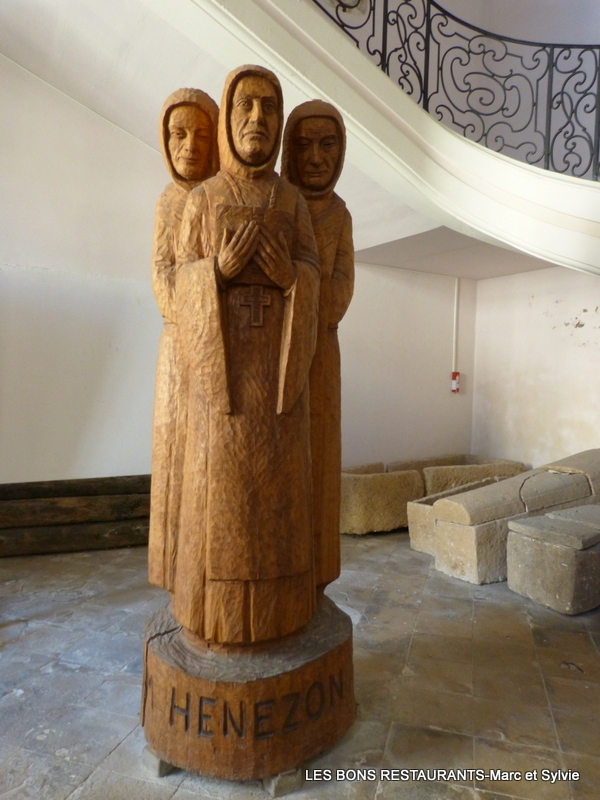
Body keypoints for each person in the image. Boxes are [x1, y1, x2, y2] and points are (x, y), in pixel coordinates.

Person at [172, 66, 320, 644]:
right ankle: (217, 614)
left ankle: (283, 611)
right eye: (245, 105)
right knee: (222, 508)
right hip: (223, 390)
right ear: (228, 117)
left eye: (268, 107)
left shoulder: (293, 203)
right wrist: (216, 271)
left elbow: (315, 276)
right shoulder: (204, 199)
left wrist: (292, 278)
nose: (257, 118)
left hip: (279, 392)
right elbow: (178, 281)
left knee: (279, 504)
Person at [148, 89, 219, 592]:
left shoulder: (216, 200)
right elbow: (162, 275)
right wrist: (194, 310)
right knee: (174, 455)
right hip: (180, 348)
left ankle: (204, 572)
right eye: (178, 134)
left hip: (217, 349)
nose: (189, 146)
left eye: (201, 134)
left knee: (207, 460)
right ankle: (174, 574)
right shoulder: (169, 202)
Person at [282, 100, 354, 595]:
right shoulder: (281, 205)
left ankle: (317, 575)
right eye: (304, 145)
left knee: (321, 463)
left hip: (321, 357)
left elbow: (339, 293)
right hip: (277, 351)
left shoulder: (339, 214)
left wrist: (305, 292)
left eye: (327, 144)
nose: (315, 157)